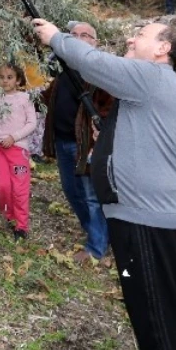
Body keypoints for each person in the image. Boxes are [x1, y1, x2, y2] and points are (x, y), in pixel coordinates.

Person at [33, 18, 176, 350]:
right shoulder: (152, 88)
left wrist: (56, 38)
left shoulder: (152, 76)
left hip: (145, 220)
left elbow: (91, 62)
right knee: (169, 305)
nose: (131, 38)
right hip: (155, 217)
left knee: (154, 312)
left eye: (142, 34)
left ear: (163, 48)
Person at [40, 21, 112, 263]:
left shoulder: (100, 74)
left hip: (86, 147)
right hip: (61, 143)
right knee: (72, 192)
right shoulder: (64, 73)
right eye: (73, 35)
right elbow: (45, 98)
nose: (79, 39)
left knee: (92, 196)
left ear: (95, 43)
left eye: (85, 35)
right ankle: (95, 230)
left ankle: (97, 248)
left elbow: (108, 109)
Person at [0, 61, 39, 239]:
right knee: (3, 186)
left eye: (9, 77)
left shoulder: (25, 99)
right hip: (0, 150)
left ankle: (21, 225)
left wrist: (14, 137)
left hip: (18, 152)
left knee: (19, 187)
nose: (5, 81)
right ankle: (8, 214)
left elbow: (32, 123)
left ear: (18, 80)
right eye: (1, 77)